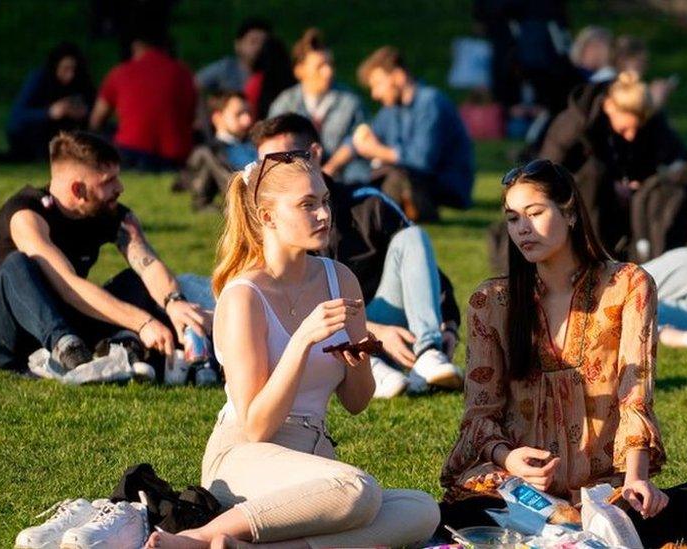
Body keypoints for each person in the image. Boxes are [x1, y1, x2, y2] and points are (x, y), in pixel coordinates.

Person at [144, 144, 439, 549]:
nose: (323, 214)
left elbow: (357, 402)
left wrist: (358, 361)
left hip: (314, 458)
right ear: (267, 216)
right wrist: (302, 340)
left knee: (422, 510)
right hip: (245, 457)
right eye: (306, 205)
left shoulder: (340, 279)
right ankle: (198, 538)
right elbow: (257, 427)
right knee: (358, 491)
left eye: (324, 201)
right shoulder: (244, 296)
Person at [440, 159, 667, 531]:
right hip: (518, 484)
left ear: (571, 213)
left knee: (621, 519)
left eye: (535, 213)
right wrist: (508, 458)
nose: (523, 229)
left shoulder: (628, 285)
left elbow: (635, 393)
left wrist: (636, 477)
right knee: (466, 510)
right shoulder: (492, 301)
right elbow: (480, 413)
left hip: (603, 483)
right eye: (513, 219)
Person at [250, 114, 463, 398]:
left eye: (288, 159)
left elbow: (420, 263)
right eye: (268, 164)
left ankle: (428, 350)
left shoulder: (366, 202)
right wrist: (369, 332)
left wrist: (449, 323)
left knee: (413, 236)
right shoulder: (268, 220)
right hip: (315, 335)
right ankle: (371, 364)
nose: (278, 173)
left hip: (384, 319)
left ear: (315, 154)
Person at [0, 132, 210, 373]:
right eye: (108, 181)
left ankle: (125, 346)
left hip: (61, 319)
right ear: (78, 190)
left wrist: (174, 302)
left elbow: (148, 264)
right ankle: (69, 350)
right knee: (18, 264)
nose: (120, 187)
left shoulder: (111, 214)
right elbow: (68, 286)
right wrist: (143, 322)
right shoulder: (27, 215)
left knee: (136, 280)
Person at [540, 71, 687, 256]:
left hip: (627, 198)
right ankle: (593, 253)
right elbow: (545, 173)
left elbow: (676, 154)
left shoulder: (648, 119)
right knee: (595, 174)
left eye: (636, 128)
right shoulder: (573, 124)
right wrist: (610, 185)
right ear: (609, 106)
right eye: (625, 129)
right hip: (578, 197)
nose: (631, 136)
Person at [354, 46, 475, 222]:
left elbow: (422, 160)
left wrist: (375, 150)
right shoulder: (392, 109)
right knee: (360, 173)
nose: (375, 94)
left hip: (443, 184)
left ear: (398, 76)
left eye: (378, 84)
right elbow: (359, 142)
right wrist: (332, 166)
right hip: (412, 178)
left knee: (396, 177)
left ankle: (401, 211)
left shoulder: (430, 103)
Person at [267, 28, 368, 185]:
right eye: (320, 66)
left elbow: (359, 138)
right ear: (299, 70)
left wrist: (331, 167)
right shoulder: (285, 104)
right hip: (297, 177)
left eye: (330, 65)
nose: (328, 72)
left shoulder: (350, 101)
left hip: (343, 176)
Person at [89, 25, 197, 171]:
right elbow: (192, 118)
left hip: (131, 153)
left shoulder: (120, 72)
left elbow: (96, 120)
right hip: (175, 157)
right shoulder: (183, 73)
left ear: (136, 46)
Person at [6, 42, 95, 161]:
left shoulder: (82, 83)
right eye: (65, 69)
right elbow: (17, 116)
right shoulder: (40, 79)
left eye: (74, 69)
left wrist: (85, 113)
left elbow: (96, 111)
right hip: (39, 137)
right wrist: (49, 113)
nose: (71, 75)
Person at [178, 92, 256, 211]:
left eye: (248, 113)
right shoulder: (210, 152)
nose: (247, 120)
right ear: (217, 117)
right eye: (238, 114)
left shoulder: (255, 143)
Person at [196, 18, 271, 95]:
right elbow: (195, 84)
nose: (259, 47)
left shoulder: (273, 73)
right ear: (238, 45)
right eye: (253, 42)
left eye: (264, 43)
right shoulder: (226, 68)